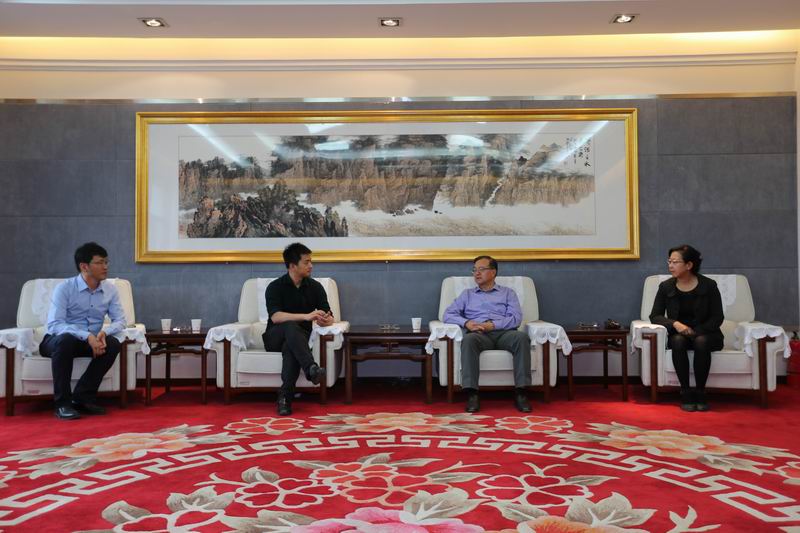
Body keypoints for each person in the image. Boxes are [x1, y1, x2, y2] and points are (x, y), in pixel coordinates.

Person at [40, 242, 126, 420]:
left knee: (113, 343)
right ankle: (62, 404)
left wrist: (105, 333)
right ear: (84, 266)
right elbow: (55, 324)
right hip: (57, 341)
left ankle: (82, 398)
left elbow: (120, 320)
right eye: (100, 262)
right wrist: (87, 336)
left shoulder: (110, 290)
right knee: (66, 340)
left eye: (106, 262)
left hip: (90, 341)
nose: (105, 267)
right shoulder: (65, 288)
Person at [443, 255, 532, 413]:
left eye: (481, 269)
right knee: (468, 340)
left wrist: (493, 325)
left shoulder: (508, 293)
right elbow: (448, 314)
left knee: (522, 338)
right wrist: (466, 323)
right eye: (474, 270)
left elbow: (516, 319)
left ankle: (521, 392)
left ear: (493, 272)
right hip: (479, 334)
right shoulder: (467, 294)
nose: (477, 273)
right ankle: (472, 393)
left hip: (504, 333)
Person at [649, 244, 724, 412]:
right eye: (669, 261)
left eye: (675, 262)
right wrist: (675, 324)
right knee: (677, 340)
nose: (670, 265)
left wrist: (696, 331)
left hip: (706, 333)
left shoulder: (709, 286)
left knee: (701, 342)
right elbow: (655, 316)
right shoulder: (666, 287)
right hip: (679, 334)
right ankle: (685, 391)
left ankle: (700, 391)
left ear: (689, 265)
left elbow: (717, 317)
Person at [264, 242, 332, 416]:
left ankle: (285, 399)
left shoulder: (315, 287)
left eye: (311, 261)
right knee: (289, 326)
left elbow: (329, 314)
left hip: (299, 340)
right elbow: (276, 317)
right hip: (274, 337)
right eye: (306, 262)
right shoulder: (275, 287)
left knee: (291, 346)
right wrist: (307, 316)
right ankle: (311, 368)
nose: (311, 265)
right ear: (293, 265)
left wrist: (325, 320)